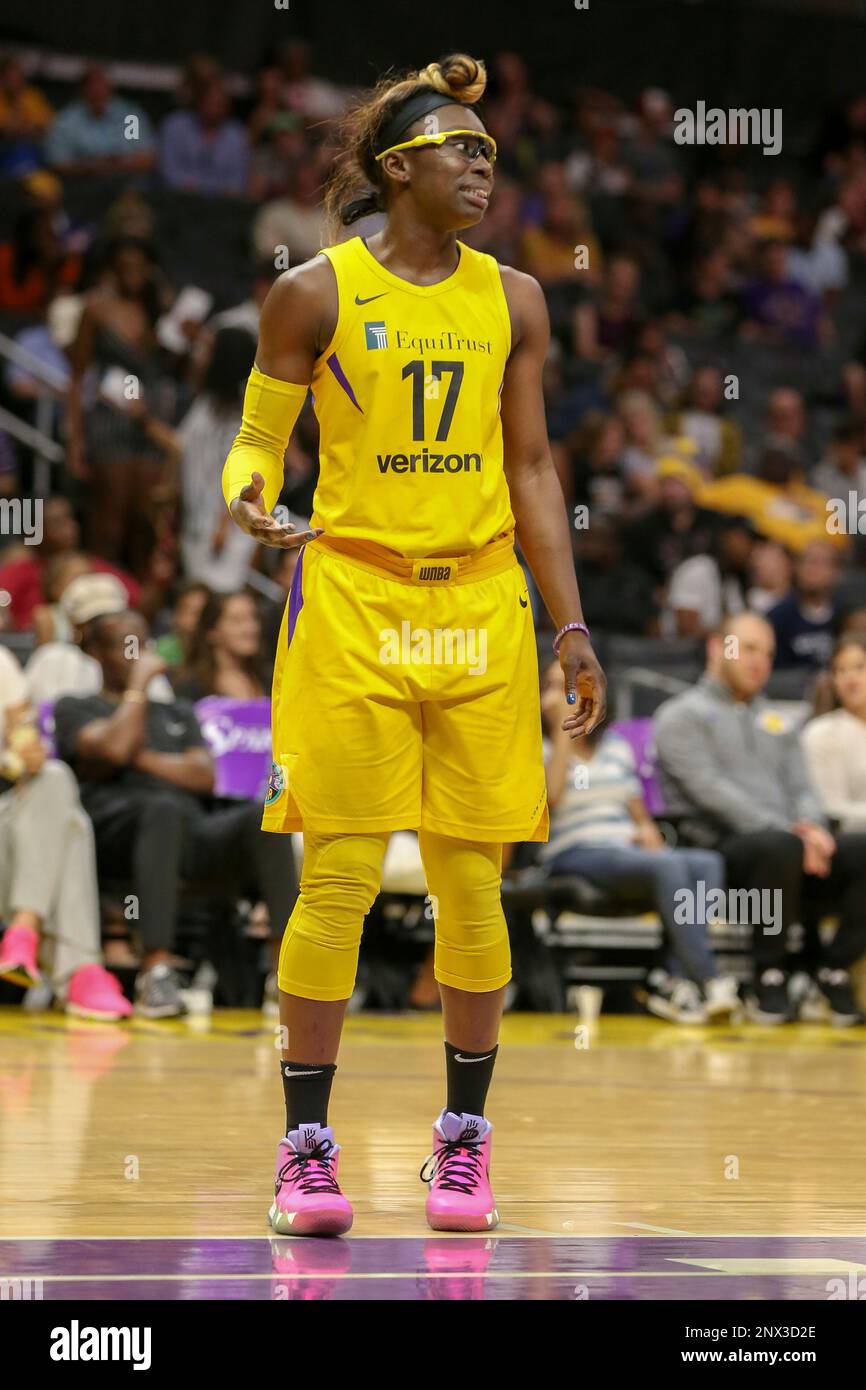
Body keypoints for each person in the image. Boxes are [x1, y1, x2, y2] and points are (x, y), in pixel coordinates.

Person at [221, 52, 605, 1237]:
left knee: (470, 882)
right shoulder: (313, 294)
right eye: (461, 148)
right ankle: (305, 1152)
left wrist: (571, 622)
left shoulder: (518, 298)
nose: (484, 164)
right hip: (351, 598)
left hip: (481, 604)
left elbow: (531, 466)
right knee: (334, 876)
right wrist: (247, 497)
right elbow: (254, 440)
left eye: (491, 151)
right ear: (398, 169)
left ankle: (462, 1145)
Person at [53, 610, 298, 1018]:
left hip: (188, 833)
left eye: (141, 641)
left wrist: (137, 757)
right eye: (122, 644)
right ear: (95, 652)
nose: (136, 653)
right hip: (116, 838)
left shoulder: (177, 713)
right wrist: (138, 688)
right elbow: (111, 749)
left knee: (262, 815)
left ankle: (285, 974)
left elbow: (205, 775)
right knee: (162, 809)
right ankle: (157, 971)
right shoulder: (77, 707)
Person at [655, 612, 866, 1026]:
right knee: (778, 846)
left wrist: (811, 827)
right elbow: (712, 793)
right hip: (718, 848)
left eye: (768, 653)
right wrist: (792, 831)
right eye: (748, 648)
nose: (760, 661)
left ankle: (832, 967)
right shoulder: (681, 716)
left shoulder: (779, 720)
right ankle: (769, 972)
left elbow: (803, 786)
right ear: (718, 648)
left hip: (792, 845)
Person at [540, 662, 738, 1024]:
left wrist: (648, 831)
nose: (565, 694)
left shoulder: (614, 743)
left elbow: (637, 810)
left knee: (706, 862)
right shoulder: (539, 746)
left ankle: (673, 978)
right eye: (554, 685)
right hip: (574, 851)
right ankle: (709, 979)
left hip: (624, 848)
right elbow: (550, 798)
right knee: (668, 866)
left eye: (573, 685)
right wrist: (562, 732)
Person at [0, 644, 131, 1020]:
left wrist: (25, 754)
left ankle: (24, 930)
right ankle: (79, 970)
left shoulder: (3, 665)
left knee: (55, 777)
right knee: (74, 828)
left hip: (8, 822)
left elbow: (22, 740)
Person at [178, 327, 257, 592]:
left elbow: (246, 471)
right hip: (196, 518)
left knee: (217, 599)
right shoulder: (205, 404)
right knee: (197, 597)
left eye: (208, 349)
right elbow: (180, 444)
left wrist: (225, 524)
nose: (200, 355)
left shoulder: (244, 414)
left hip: (224, 527)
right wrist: (143, 420)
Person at [802, 634, 866, 833]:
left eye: (859, 667)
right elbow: (833, 811)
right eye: (841, 670)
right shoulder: (821, 732)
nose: (850, 677)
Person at [44, 65, 155, 175]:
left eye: (102, 85)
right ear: (83, 90)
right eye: (92, 86)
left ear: (110, 87)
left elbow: (147, 158)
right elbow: (58, 162)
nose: (98, 91)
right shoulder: (67, 120)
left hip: (124, 181)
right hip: (81, 181)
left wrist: (114, 164)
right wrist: (93, 165)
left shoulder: (129, 116)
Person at [172, 590, 266, 701]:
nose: (252, 628)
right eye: (237, 620)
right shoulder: (192, 686)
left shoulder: (270, 677)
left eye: (253, 618)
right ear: (212, 632)